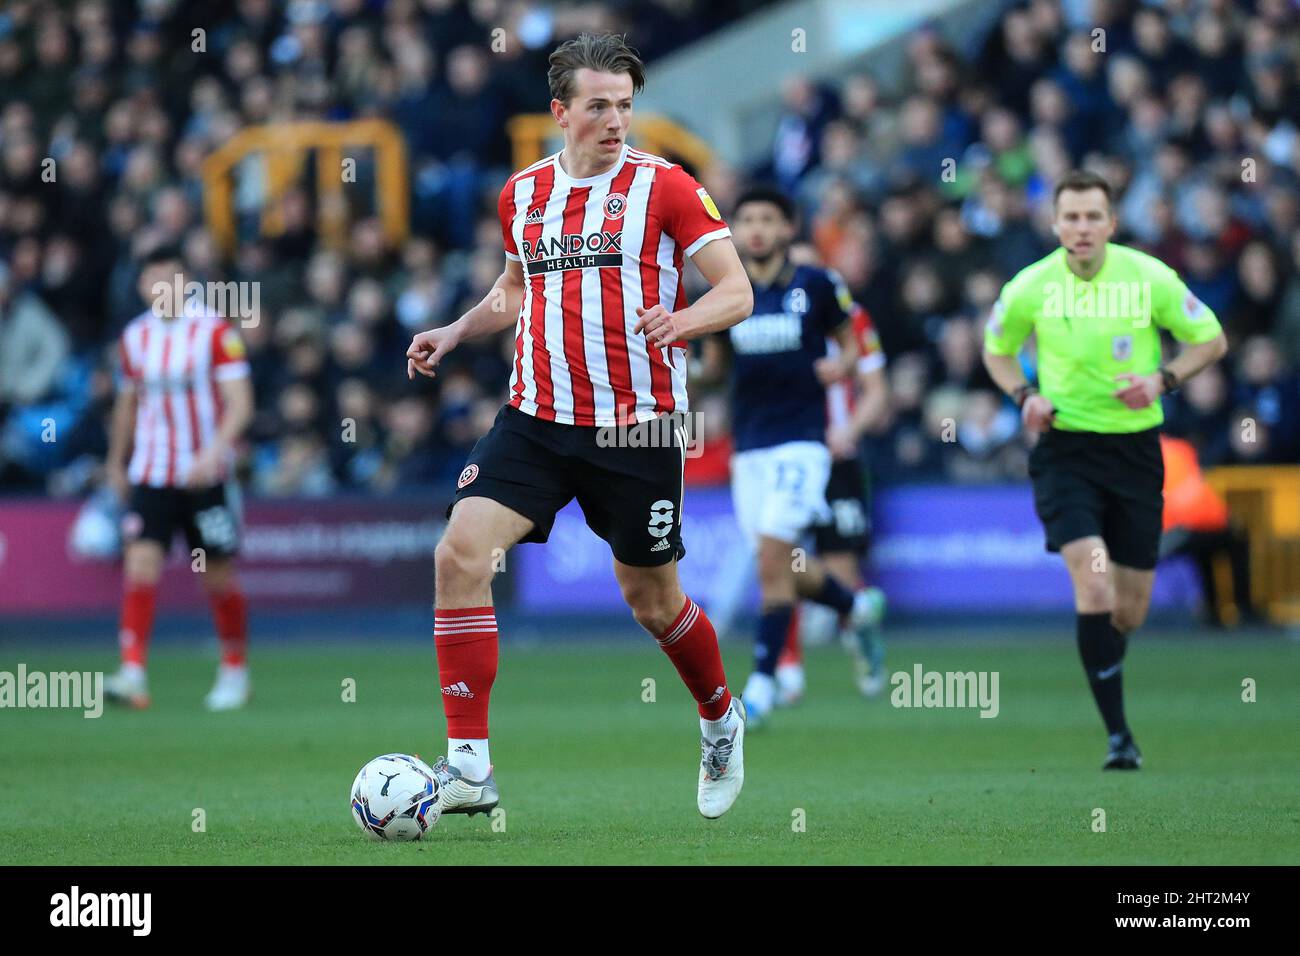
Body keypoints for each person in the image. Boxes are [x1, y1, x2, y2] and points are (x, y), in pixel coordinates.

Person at [406, 34, 754, 819]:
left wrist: (684, 321)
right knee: (460, 553)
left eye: (626, 105)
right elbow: (512, 289)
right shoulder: (522, 193)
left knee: (653, 601)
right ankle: (468, 766)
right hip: (535, 420)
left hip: (637, 429)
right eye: (599, 105)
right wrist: (456, 332)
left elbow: (737, 292)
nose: (616, 120)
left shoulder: (667, 187)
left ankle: (719, 718)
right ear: (560, 111)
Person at [982, 169, 1228, 770]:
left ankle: (1107, 663)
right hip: (1065, 450)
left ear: (1112, 223)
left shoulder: (1148, 277)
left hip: (1136, 452)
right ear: (1055, 222)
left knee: (1128, 609)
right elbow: (996, 349)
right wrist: (1024, 397)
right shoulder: (1029, 287)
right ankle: (1119, 736)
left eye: (1094, 217)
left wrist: (1161, 380)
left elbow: (1211, 340)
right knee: (1092, 583)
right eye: (1071, 217)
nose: (1082, 228)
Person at [699, 186, 885, 728]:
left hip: (805, 442)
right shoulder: (724, 293)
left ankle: (760, 684)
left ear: (787, 228)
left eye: (767, 219)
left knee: (775, 551)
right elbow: (715, 368)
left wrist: (842, 365)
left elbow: (850, 341)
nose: (756, 228)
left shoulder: (818, 285)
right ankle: (855, 608)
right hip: (749, 447)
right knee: (773, 562)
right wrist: (679, 364)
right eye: (747, 219)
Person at [102, 245, 255, 711]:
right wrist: (116, 461)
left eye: (171, 277)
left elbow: (241, 402)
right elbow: (128, 404)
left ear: (187, 282)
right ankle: (132, 671)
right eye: (153, 279)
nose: (162, 287)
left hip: (204, 475)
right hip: (152, 471)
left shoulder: (214, 331)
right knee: (141, 563)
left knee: (216, 574)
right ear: (142, 285)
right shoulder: (134, 338)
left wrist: (213, 452)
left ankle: (233, 669)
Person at [779, 299, 891, 702]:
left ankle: (861, 634)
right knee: (780, 556)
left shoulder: (852, 316)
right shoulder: (767, 312)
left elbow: (878, 390)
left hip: (837, 460)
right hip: (787, 457)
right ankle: (786, 667)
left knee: (841, 572)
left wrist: (850, 430)